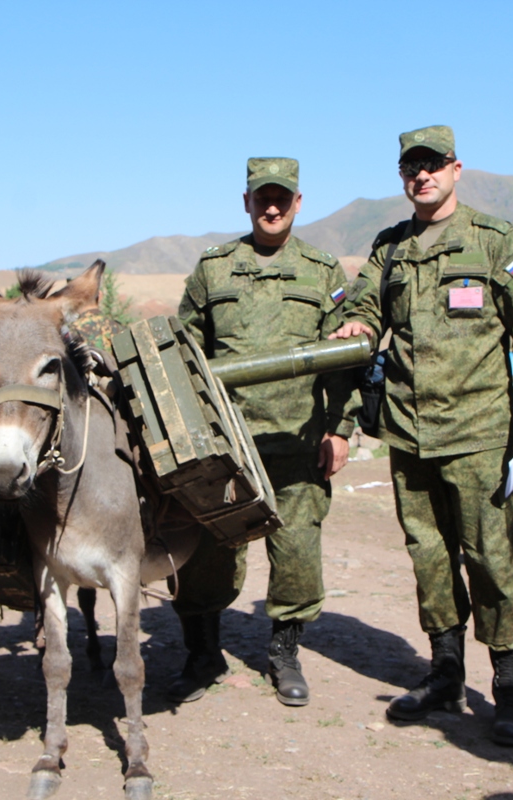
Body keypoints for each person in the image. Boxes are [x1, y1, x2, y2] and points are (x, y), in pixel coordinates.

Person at [331, 126, 513, 746]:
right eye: (411, 167)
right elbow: (364, 307)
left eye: (433, 166)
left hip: (480, 431)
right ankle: (445, 674)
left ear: (457, 169)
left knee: (491, 560)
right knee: (429, 558)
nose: (422, 176)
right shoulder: (391, 247)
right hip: (409, 432)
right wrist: (357, 318)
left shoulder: (493, 241)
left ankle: (510, 688)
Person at [172, 157, 356, 707]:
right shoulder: (213, 268)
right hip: (225, 444)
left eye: (282, 198)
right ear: (246, 202)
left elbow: (342, 361)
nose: (272, 207)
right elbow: (183, 349)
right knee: (207, 555)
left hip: (299, 441)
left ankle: (284, 655)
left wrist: (340, 429)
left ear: (298, 203)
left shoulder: (324, 272)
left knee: (297, 553)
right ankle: (202, 655)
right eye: (261, 197)